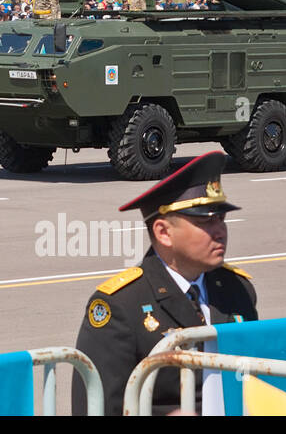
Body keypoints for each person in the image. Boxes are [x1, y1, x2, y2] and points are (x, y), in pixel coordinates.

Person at [72, 151, 258, 416]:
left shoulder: (238, 289)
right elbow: (96, 408)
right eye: (205, 221)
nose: (220, 231)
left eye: (221, 219)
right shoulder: (121, 305)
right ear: (163, 232)